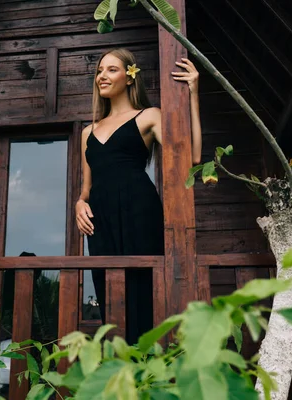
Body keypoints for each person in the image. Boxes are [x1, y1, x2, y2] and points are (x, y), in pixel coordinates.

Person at [75, 48, 202, 344]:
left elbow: (192, 155)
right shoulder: (87, 132)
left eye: (111, 70)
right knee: (109, 295)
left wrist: (193, 93)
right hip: (101, 223)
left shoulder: (149, 116)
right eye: (99, 71)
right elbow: (85, 189)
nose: (102, 76)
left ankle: (152, 370)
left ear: (130, 77)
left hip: (139, 212)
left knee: (144, 291)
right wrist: (80, 204)